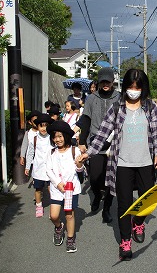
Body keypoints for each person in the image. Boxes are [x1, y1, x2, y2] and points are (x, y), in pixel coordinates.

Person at [79, 68, 157, 261]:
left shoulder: (150, 107)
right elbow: (102, 133)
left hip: (146, 163)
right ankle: (125, 241)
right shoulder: (117, 107)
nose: (133, 90)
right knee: (124, 204)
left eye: (137, 87)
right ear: (125, 87)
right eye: (130, 86)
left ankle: (138, 222)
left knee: (148, 202)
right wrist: (88, 153)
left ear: (143, 88)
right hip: (122, 164)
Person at [77, 67, 120, 224]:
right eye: (102, 81)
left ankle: (107, 208)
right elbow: (86, 120)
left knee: (111, 179)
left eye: (108, 81)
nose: (105, 84)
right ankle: (96, 195)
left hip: (114, 143)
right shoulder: (91, 98)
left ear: (112, 82)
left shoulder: (120, 98)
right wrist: (82, 141)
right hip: (95, 142)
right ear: (99, 82)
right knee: (95, 177)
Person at [46, 120, 85, 253]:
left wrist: (79, 164)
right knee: (54, 216)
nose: (57, 139)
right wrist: (57, 183)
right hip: (57, 189)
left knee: (69, 215)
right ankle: (58, 227)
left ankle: (70, 239)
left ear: (66, 136)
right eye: (55, 137)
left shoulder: (74, 151)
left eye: (60, 136)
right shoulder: (51, 153)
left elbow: (80, 171)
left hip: (71, 189)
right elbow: (48, 170)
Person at [24, 113, 54, 218]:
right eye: (41, 125)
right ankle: (38, 206)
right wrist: (27, 167)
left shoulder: (52, 138)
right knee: (38, 189)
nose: (44, 128)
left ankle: (53, 209)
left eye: (46, 125)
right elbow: (30, 153)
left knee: (52, 189)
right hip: (38, 168)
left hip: (51, 168)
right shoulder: (34, 139)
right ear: (38, 126)